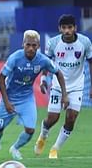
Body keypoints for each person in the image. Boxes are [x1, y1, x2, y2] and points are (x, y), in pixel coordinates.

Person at [0, 30, 69, 160]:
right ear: (23, 44)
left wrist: (64, 95)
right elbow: (1, 79)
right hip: (9, 97)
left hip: (26, 98)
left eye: (34, 45)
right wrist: (6, 102)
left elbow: (58, 73)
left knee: (30, 130)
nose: (31, 48)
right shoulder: (15, 58)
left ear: (38, 46)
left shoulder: (43, 60)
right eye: (28, 45)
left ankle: (15, 148)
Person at [34, 14, 92, 159]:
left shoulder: (85, 43)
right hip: (57, 85)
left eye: (70, 27)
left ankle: (55, 148)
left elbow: (91, 63)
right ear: (59, 28)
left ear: (75, 28)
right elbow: (46, 63)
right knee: (52, 118)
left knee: (71, 118)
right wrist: (43, 79)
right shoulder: (53, 43)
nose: (67, 31)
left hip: (77, 85)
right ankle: (43, 135)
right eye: (64, 28)